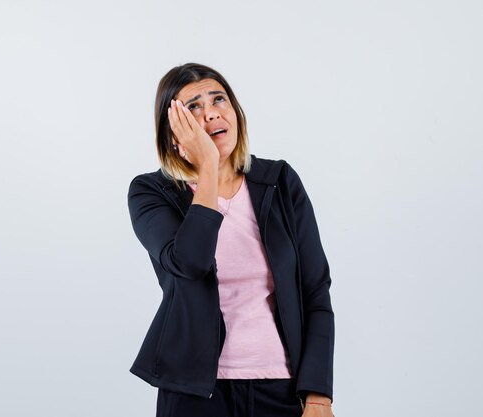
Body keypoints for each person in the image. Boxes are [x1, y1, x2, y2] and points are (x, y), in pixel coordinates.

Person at [127, 63, 335, 417]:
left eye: (218, 99)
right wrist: (208, 166)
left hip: (281, 390)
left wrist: (318, 396)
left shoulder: (279, 181)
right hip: (195, 395)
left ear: (235, 111)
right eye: (192, 107)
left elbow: (314, 290)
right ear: (173, 131)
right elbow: (190, 261)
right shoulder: (151, 192)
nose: (210, 113)